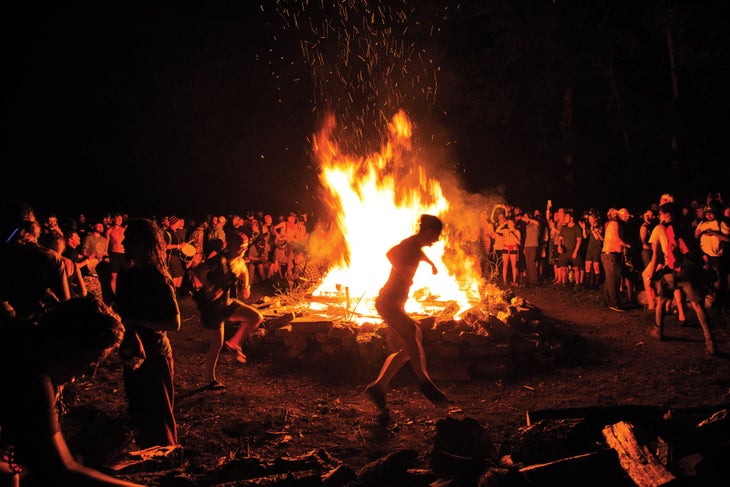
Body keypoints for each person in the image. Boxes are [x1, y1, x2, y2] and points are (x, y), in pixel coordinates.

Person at [0, 296, 145, 486]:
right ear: (70, 346)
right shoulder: (32, 373)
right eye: (89, 362)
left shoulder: (21, 334)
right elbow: (60, 469)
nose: (89, 374)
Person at [364, 214, 450, 413]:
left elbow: (418, 254)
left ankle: (378, 387)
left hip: (395, 302)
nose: (436, 239)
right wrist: (402, 271)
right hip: (388, 301)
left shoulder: (416, 246)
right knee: (411, 333)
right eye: (435, 234)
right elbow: (390, 254)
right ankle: (424, 382)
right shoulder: (410, 243)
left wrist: (432, 264)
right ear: (427, 231)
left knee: (412, 340)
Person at [115, 218, 181, 448]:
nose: (122, 242)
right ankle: (147, 454)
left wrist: (136, 321)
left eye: (128, 238)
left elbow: (174, 322)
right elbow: (121, 309)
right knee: (139, 410)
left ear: (142, 243)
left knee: (159, 413)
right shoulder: (130, 275)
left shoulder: (158, 278)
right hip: (133, 353)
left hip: (154, 354)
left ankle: (167, 458)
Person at [190, 234, 264, 389]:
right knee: (216, 345)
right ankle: (210, 380)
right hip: (212, 307)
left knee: (255, 317)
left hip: (228, 303)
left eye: (245, 245)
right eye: (241, 246)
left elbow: (243, 272)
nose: (244, 249)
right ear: (231, 245)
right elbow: (198, 271)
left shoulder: (240, 261)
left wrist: (246, 287)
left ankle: (235, 343)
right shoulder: (219, 260)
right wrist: (210, 287)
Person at [648, 202, 717, 355]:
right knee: (698, 305)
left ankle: (658, 330)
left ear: (668, 215)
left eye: (661, 214)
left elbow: (674, 248)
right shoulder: (686, 225)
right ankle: (710, 340)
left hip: (677, 270)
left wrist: (672, 265)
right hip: (690, 270)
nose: (659, 217)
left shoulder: (671, 228)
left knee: (661, 299)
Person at [0, 201, 71, 320]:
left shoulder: (5, 251)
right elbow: (66, 303)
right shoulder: (50, 257)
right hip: (39, 324)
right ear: (34, 226)